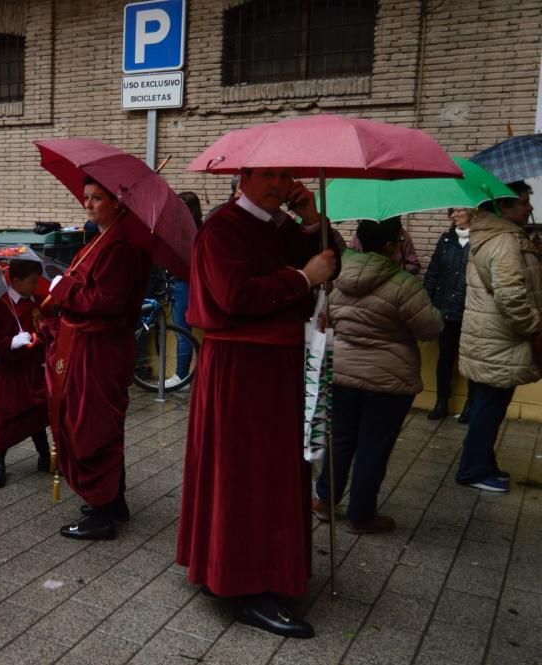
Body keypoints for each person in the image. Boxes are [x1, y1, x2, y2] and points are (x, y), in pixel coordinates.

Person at [175, 167, 338, 639]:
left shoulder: (280, 224)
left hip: (277, 366)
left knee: (272, 471)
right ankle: (245, 585)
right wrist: (301, 279)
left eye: (286, 176)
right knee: (248, 475)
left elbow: (330, 263)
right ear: (244, 176)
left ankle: (243, 567)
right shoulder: (222, 228)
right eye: (269, 175)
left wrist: (312, 219)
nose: (278, 184)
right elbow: (235, 295)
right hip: (243, 369)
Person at [313, 220, 442, 534]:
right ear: (389, 245)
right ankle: (361, 515)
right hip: (388, 381)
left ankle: (326, 501)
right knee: (374, 445)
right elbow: (431, 328)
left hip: (342, 371)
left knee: (340, 439)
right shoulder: (403, 284)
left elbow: (325, 317)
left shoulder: (337, 274)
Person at [44, 176, 151, 541]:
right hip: (87, 346)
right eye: (86, 197)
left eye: (97, 198)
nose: (87, 205)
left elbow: (110, 302)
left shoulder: (121, 245)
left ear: (118, 201)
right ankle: (112, 500)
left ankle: (102, 512)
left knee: (92, 425)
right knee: (93, 420)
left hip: (99, 350)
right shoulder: (104, 238)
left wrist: (65, 290)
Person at [456, 182, 540, 493]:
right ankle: (473, 470)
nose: (529, 207)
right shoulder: (505, 240)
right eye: (522, 202)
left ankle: (482, 463)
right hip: (499, 341)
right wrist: (533, 327)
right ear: (502, 208)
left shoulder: (494, 236)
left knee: (485, 405)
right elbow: (511, 297)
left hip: (487, 339)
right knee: (488, 408)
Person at [0, 259, 50, 488]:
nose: (36, 286)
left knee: (39, 411)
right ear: (17, 281)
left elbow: (50, 328)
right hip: (12, 373)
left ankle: (44, 456)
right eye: (32, 281)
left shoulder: (40, 303)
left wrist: (42, 336)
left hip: (36, 370)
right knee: (7, 414)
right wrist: (11, 342)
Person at [424, 207, 474, 421]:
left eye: (458, 210)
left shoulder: (480, 242)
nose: (453, 215)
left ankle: (471, 407)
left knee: (471, 360)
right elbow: (433, 273)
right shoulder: (446, 240)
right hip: (445, 310)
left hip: (470, 311)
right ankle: (441, 402)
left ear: (472, 212)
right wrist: (427, 302)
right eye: (451, 211)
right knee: (445, 358)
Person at [165, 191, 203, 388]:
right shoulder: (199, 229)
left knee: (182, 331)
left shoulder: (187, 232)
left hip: (182, 282)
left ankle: (181, 376)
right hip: (184, 282)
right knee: (183, 331)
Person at [350, 216, 420, 275]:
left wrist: (396, 270)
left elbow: (414, 265)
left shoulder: (401, 235)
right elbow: (352, 262)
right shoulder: (363, 233)